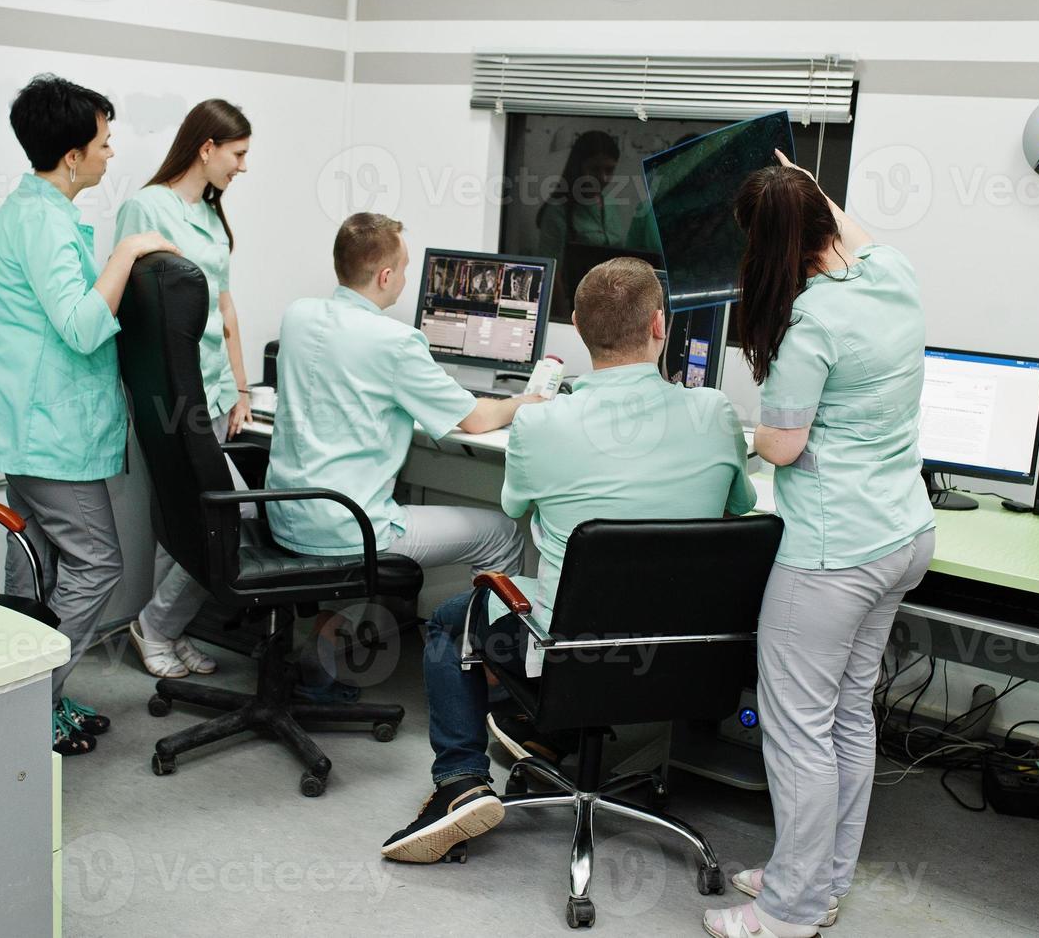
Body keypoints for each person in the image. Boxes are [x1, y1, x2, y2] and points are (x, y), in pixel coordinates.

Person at [381, 257, 756, 863]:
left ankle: (460, 782)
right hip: (688, 662)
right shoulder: (716, 415)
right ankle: (544, 739)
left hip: (573, 654)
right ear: (661, 325)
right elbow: (739, 504)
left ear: (577, 327)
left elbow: (515, 505)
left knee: (454, 621)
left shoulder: (541, 424)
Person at [702, 152, 935, 938]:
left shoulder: (811, 325)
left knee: (798, 728)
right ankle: (819, 879)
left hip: (833, 552)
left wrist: (753, 433)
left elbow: (782, 447)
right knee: (846, 720)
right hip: (903, 533)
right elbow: (847, 228)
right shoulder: (893, 271)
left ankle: (789, 911)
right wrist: (801, 182)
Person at [0, 74, 180, 756]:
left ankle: (29, 701)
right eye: (105, 142)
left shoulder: (33, 210)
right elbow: (84, 328)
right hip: (47, 430)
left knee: (38, 566)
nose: (111, 154)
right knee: (95, 564)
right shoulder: (45, 222)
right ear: (72, 154)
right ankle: (30, 701)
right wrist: (126, 250)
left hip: (31, 425)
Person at [265, 212, 541, 701]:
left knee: (388, 506)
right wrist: (523, 402)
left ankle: (322, 658)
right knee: (502, 535)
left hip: (286, 516)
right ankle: (500, 688)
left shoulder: (298, 315)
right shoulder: (395, 343)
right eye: (406, 269)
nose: (407, 280)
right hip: (349, 527)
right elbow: (474, 420)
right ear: (386, 276)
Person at [117, 99, 254, 681]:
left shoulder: (212, 214)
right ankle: (157, 625)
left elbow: (224, 306)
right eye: (238, 154)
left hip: (214, 390)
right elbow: (131, 302)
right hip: (170, 393)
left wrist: (242, 389)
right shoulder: (147, 208)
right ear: (207, 148)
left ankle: (166, 629)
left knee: (191, 523)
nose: (243, 166)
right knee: (211, 514)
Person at [536, 129, 630, 320]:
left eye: (609, 170)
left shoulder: (611, 204)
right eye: (594, 169)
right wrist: (566, 320)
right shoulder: (557, 211)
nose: (603, 177)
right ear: (578, 167)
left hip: (613, 311)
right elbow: (552, 275)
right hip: (574, 311)